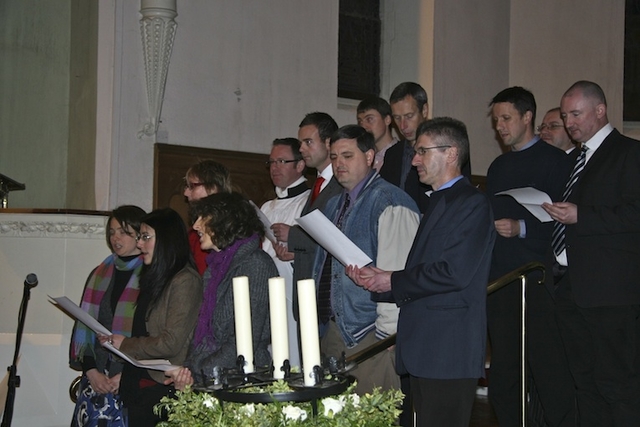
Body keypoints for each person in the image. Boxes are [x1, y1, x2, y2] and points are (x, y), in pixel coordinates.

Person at [348, 117, 495, 427]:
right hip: (425, 348)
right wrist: (378, 281)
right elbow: (423, 274)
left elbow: (453, 273)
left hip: (447, 351)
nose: (414, 160)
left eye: (422, 151)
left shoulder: (471, 203)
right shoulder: (440, 201)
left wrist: (392, 279)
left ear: (451, 154)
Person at [542, 80, 640, 426]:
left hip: (611, 293)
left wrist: (581, 215)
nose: (569, 123)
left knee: (619, 384)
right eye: (565, 115)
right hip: (571, 286)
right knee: (584, 382)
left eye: (576, 114)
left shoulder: (629, 153)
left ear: (600, 111)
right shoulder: (576, 158)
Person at [486, 86, 575, 427]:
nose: (500, 127)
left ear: (528, 117)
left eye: (506, 119)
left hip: (540, 283)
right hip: (502, 282)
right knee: (505, 378)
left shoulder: (558, 164)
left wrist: (521, 227)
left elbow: (567, 229)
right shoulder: (499, 166)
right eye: (496, 121)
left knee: (549, 374)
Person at [312, 124, 419, 394]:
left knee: (372, 416)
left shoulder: (390, 201)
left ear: (370, 157)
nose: (339, 164)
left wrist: (388, 336)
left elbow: (397, 272)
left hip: (370, 332)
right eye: (334, 157)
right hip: (333, 329)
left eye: (347, 156)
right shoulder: (333, 204)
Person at [166, 192, 278, 388]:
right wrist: (187, 371)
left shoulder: (255, 263)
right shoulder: (215, 267)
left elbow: (244, 341)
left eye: (203, 218)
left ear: (226, 221)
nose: (195, 226)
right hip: (213, 376)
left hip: (241, 381)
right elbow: (202, 332)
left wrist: (198, 375)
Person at [103, 208, 203, 427]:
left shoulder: (184, 280)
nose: (139, 244)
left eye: (145, 237)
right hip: (139, 384)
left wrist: (125, 344)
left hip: (161, 389)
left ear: (166, 239)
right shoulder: (155, 276)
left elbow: (170, 342)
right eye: (139, 237)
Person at [70, 205, 146, 427]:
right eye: (111, 232)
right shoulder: (99, 273)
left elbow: (152, 334)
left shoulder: (151, 275)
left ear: (139, 234)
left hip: (132, 377)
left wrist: (127, 375)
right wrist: (91, 371)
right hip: (97, 378)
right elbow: (85, 326)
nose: (115, 238)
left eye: (123, 231)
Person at [271, 112, 342, 316]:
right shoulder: (317, 186)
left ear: (328, 143)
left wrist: (292, 235)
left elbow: (334, 237)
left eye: (308, 142)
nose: (301, 149)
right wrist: (295, 252)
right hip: (305, 293)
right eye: (301, 143)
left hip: (323, 298)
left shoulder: (340, 186)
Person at [381, 82, 472, 213]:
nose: (402, 125)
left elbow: (459, 194)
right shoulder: (392, 153)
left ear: (424, 110)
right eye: (397, 118)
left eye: (409, 116)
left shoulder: (446, 145)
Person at [260, 138, 309, 368]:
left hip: (293, 292)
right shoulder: (266, 207)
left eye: (282, 161)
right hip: (267, 289)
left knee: (292, 356)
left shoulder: (309, 201)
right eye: (271, 162)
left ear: (300, 165)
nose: (274, 167)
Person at [183, 159, 232, 274]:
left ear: (213, 188)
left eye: (192, 186)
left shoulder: (237, 229)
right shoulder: (193, 233)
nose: (185, 193)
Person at [356, 96, 398, 171]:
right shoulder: (363, 157)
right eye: (360, 121)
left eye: (369, 119)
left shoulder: (402, 156)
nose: (363, 126)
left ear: (387, 120)